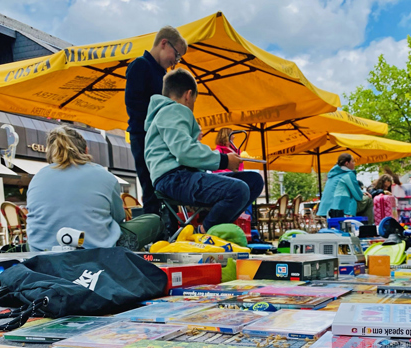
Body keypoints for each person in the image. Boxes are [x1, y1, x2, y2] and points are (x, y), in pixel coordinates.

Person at [144, 69, 263, 233]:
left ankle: (211, 225)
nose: (192, 106)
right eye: (194, 100)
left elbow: (182, 149)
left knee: (254, 180)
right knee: (240, 189)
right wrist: (225, 160)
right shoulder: (175, 110)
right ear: (188, 95)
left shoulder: (163, 114)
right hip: (175, 178)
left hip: (177, 177)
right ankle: (204, 231)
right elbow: (184, 151)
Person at [27, 126, 165, 251]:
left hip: (42, 252)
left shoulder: (37, 178)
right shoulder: (104, 176)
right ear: (86, 150)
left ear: (51, 152)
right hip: (97, 250)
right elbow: (118, 218)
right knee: (153, 220)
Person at [125, 26, 188, 215]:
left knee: (166, 188)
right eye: (176, 55)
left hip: (159, 138)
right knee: (152, 190)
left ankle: (168, 229)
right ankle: (156, 236)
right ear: (163, 43)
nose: (174, 62)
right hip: (144, 137)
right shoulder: (140, 65)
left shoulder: (162, 74)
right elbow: (134, 104)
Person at [317, 153, 363, 218]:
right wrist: (362, 193)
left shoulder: (333, 174)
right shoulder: (348, 174)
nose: (354, 163)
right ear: (347, 163)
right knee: (368, 200)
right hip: (339, 210)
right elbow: (359, 196)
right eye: (352, 161)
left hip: (325, 210)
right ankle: (368, 225)